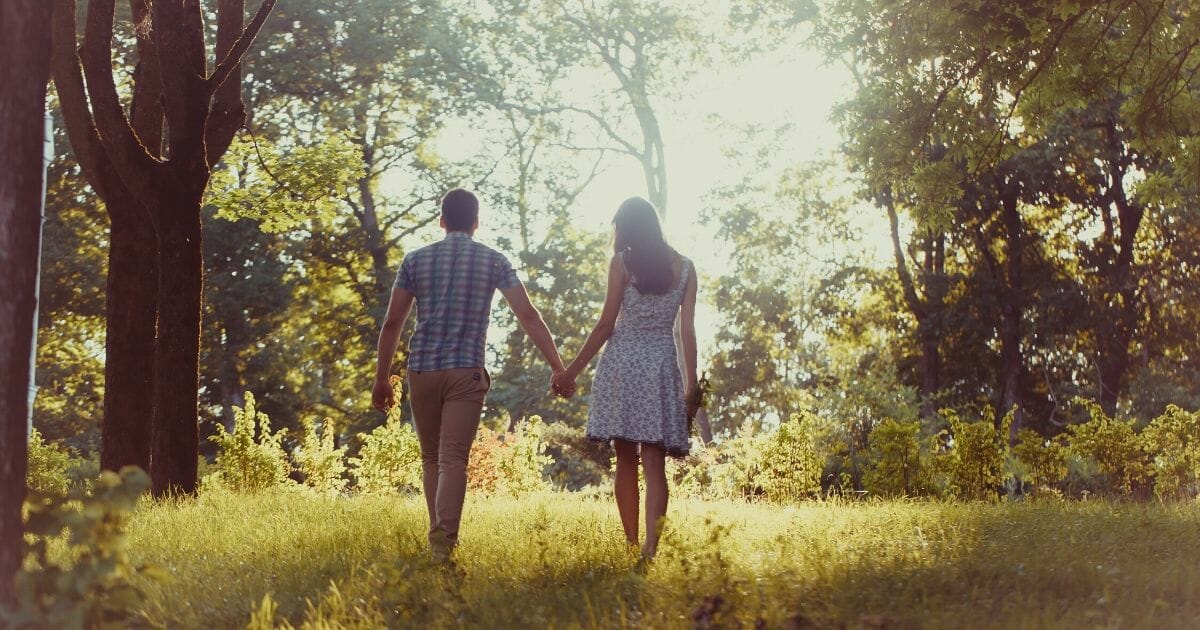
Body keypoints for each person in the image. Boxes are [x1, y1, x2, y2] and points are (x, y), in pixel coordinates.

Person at [372, 188, 571, 561]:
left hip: (422, 369)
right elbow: (528, 315)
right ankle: (442, 545)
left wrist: (382, 377)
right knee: (452, 459)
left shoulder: (415, 261)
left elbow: (392, 322)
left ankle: (439, 543)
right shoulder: (494, 261)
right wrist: (558, 367)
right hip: (465, 371)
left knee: (431, 457)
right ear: (476, 223)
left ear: (442, 221)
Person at [553, 197, 700, 560]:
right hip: (660, 366)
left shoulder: (622, 263)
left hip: (622, 364)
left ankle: (632, 544)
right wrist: (691, 382)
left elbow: (606, 325)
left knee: (626, 462)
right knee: (655, 465)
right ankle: (650, 551)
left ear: (629, 228)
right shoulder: (685, 268)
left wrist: (571, 371)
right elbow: (687, 332)